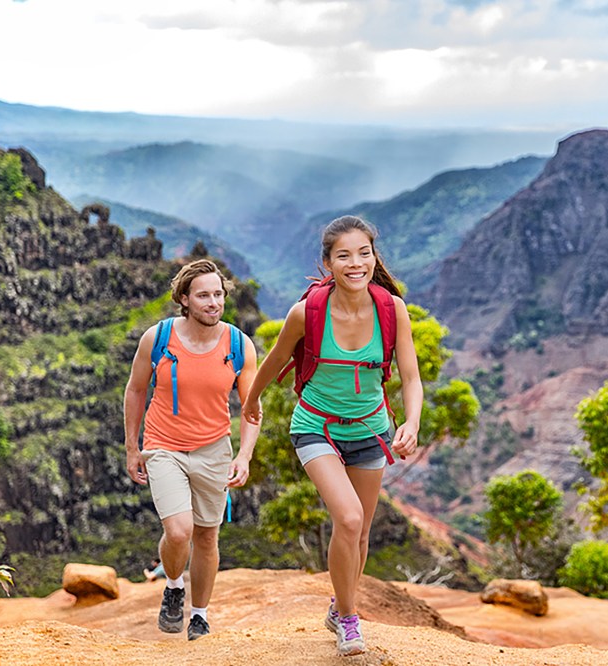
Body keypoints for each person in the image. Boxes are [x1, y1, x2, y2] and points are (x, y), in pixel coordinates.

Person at [241, 216, 422, 657]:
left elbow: (411, 377)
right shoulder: (307, 313)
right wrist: (251, 399)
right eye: (344, 255)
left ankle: (339, 607)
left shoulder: (391, 309)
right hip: (316, 426)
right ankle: (349, 619)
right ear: (328, 263)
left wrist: (412, 422)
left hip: (371, 428)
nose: (355, 263)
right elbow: (275, 359)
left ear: (374, 257)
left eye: (364, 253)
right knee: (350, 518)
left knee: (360, 534)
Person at [123, 259, 260, 641]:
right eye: (203, 296)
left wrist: (244, 455)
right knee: (179, 530)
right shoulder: (158, 338)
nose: (213, 303)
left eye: (218, 294)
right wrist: (132, 447)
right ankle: (173, 585)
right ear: (184, 299)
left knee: (206, 536)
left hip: (214, 449)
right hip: (163, 445)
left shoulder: (239, 345)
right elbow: (136, 390)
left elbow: (251, 408)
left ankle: (199, 615)